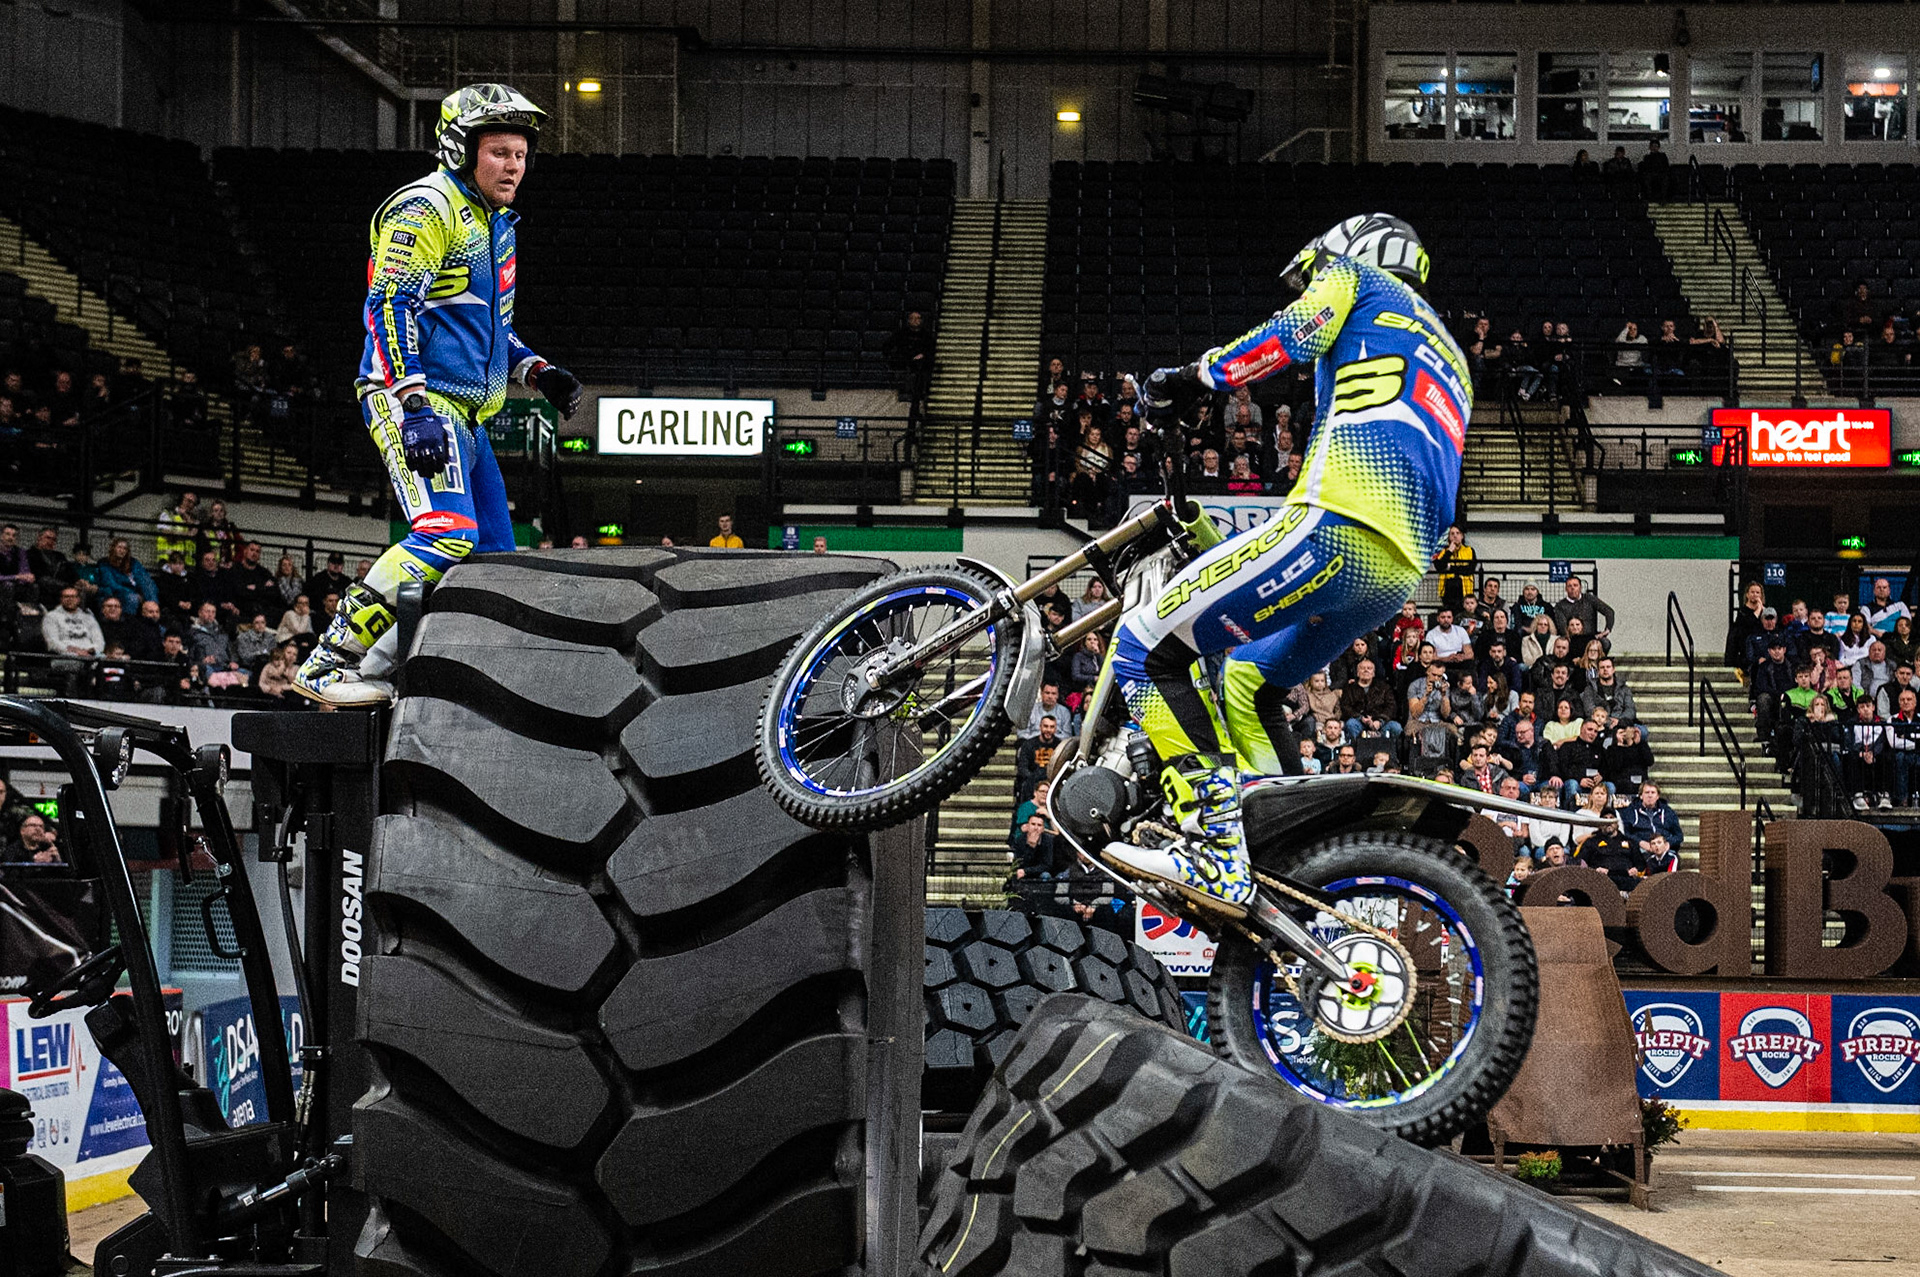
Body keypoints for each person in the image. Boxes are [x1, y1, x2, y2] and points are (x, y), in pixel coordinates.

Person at [1104, 216, 1470, 909]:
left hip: (1339, 524)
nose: (1311, 284)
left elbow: (1293, 333)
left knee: (1142, 649)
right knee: (1248, 680)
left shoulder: (1360, 280)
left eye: (1315, 273)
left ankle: (1212, 848)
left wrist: (1195, 376)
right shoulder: (1451, 356)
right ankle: (1287, 859)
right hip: (1396, 570)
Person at [295, 83, 582, 705]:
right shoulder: (426, 208)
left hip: (467, 414)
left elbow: (488, 326)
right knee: (446, 531)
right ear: (460, 149)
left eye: (521, 154)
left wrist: (536, 372)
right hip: (416, 401)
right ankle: (328, 664)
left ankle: (401, 672)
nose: (514, 166)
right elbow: (389, 306)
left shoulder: (496, 223)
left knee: (497, 562)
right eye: (500, 152)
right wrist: (413, 404)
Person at [1432, 524, 1474, 615]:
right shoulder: (1442, 551)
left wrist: (1450, 567)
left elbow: (1469, 569)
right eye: (1452, 534)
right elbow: (1439, 567)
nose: (1455, 536)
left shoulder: (1469, 550)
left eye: (1457, 533)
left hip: (1464, 589)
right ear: (1449, 537)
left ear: (1462, 536)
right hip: (1447, 589)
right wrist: (1449, 551)